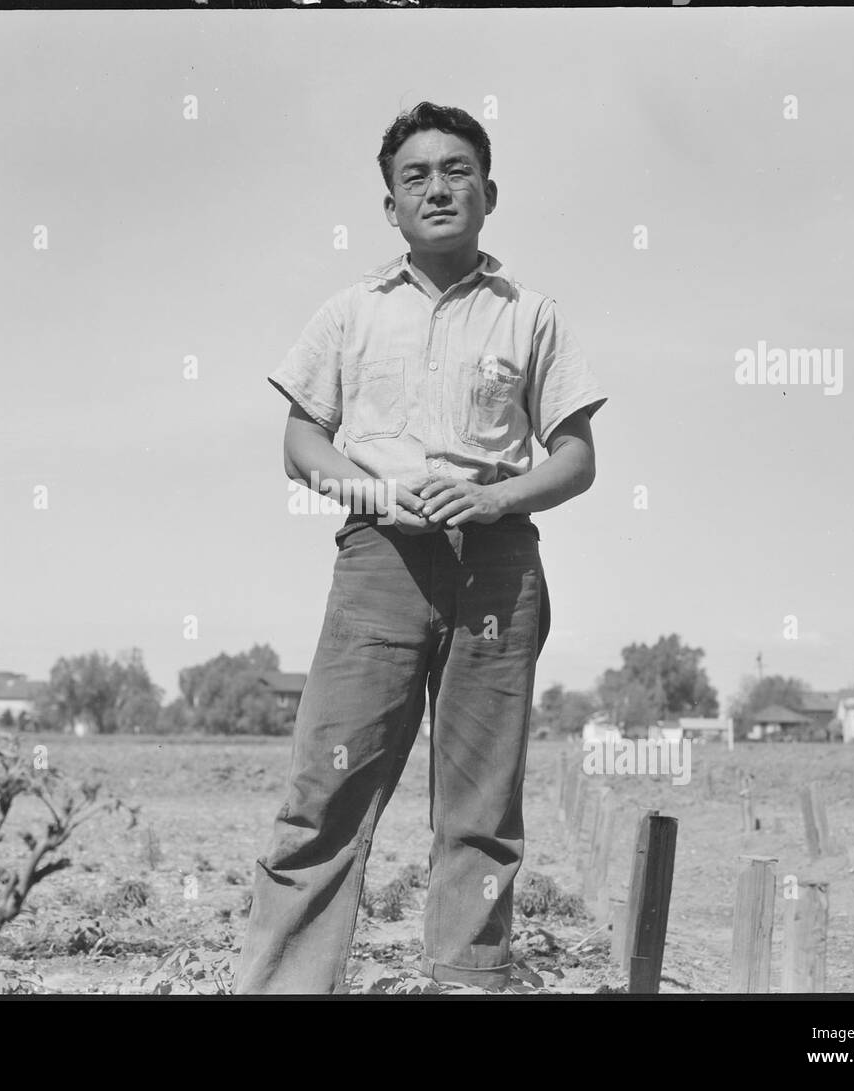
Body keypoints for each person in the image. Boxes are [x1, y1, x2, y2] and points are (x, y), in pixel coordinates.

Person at [235, 101, 608, 994]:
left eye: (455, 171)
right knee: (325, 794)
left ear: (488, 191)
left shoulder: (534, 317)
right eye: (415, 177)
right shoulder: (350, 313)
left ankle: (468, 982)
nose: (437, 188)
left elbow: (577, 460)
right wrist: (377, 493)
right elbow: (301, 445)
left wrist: (491, 496)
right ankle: (283, 987)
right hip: (380, 565)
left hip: (499, 567)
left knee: (481, 808)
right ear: (390, 206)